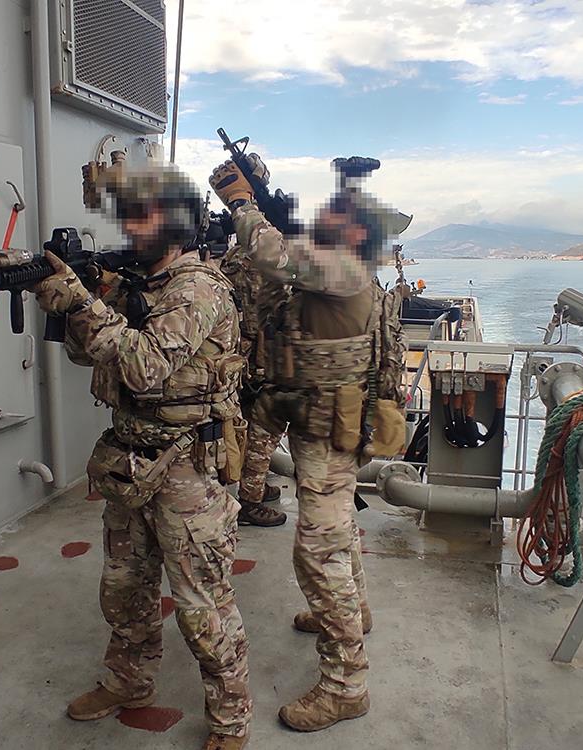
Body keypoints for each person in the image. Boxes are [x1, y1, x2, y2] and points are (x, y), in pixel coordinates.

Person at [31, 160, 252, 750]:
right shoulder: (142, 284)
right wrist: (72, 305)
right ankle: (128, 682)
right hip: (131, 459)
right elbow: (90, 356)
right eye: (127, 215)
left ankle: (231, 718)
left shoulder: (197, 289)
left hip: (187, 468)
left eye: (144, 215)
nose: (130, 226)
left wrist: (83, 303)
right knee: (124, 589)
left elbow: (144, 365)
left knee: (202, 607)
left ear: (176, 221)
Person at [210, 157, 403, 732]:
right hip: (318, 420)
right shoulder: (338, 265)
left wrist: (243, 205)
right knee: (336, 530)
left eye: (335, 218)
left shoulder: (344, 267)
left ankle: (346, 686)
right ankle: (355, 611)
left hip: (328, 431)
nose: (323, 222)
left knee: (317, 552)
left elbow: (275, 255)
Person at [218, 227, 289, 528]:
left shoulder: (232, 258)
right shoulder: (270, 261)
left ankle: (252, 485)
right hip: (263, 357)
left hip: (238, 356)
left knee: (244, 424)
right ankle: (250, 501)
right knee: (265, 429)